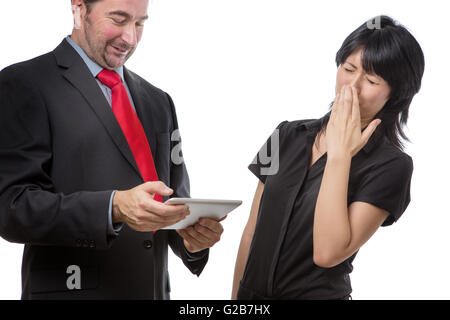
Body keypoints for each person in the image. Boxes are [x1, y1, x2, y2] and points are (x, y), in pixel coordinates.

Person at [0, 0, 224, 299]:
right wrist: (113, 207)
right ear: (79, 9)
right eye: (119, 20)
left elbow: (174, 200)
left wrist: (193, 242)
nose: (130, 38)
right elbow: (11, 207)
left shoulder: (159, 101)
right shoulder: (23, 83)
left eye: (140, 23)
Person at [232, 15, 424, 300]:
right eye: (348, 69)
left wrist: (339, 154)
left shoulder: (392, 166)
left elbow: (328, 252)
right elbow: (251, 233)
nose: (352, 86)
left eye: (371, 79)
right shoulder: (286, 135)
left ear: (395, 94)